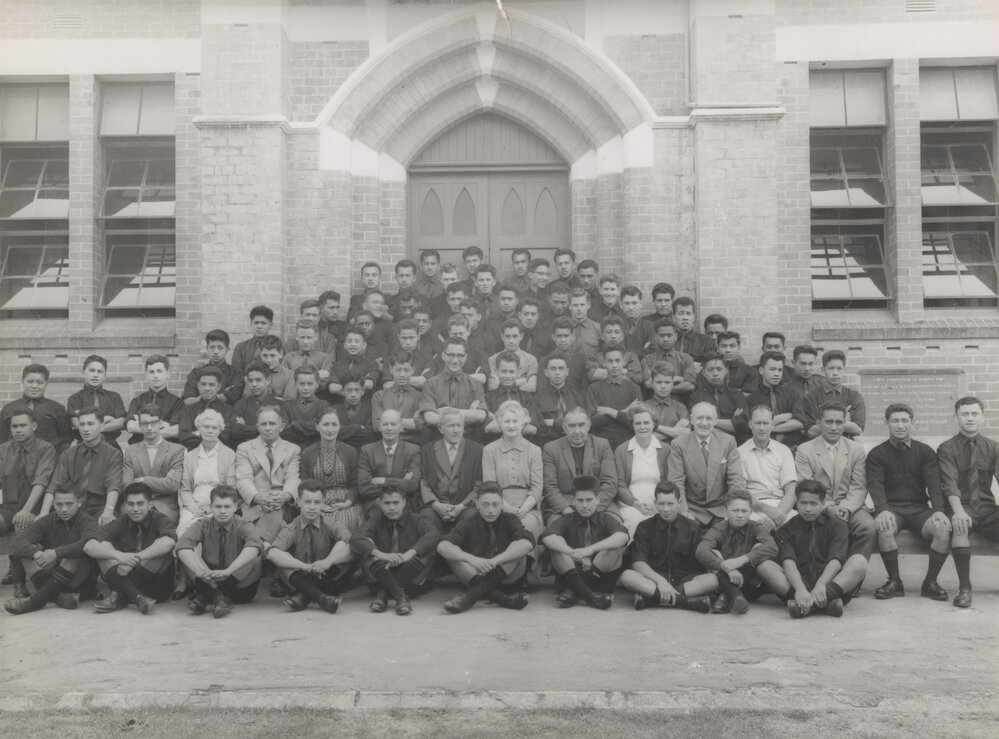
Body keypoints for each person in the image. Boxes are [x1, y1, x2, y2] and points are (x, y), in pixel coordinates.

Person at [866, 403, 951, 602]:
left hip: (919, 509)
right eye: (895, 421)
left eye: (905, 420)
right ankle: (895, 582)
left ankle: (930, 583)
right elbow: (875, 486)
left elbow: (934, 485)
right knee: (884, 527)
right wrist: (882, 509)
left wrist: (939, 510)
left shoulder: (925, 452)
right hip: (892, 509)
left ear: (912, 422)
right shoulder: (877, 454)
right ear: (887, 423)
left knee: (942, 529)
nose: (900, 425)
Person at [794, 402, 875, 595]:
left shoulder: (855, 449)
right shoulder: (805, 450)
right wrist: (828, 508)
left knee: (868, 527)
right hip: (818, 506)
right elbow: (807, 486)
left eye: (839, 422)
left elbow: (859, 485)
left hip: (851, 505)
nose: (834, 427)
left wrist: (846, 508)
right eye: (828, 422)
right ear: (818, 423)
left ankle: (852, 579)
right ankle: (823, 579)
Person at [936, 396, 999, 608]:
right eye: (965, 414)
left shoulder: (993, 447)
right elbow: (949, 483)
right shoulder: (946, 448)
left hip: (986, 507)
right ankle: (965, 588)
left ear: (982, 416)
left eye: (974, 414)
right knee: (960, 525)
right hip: (960, 506)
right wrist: (959, 512)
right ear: (956, 417)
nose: (970, 418)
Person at [437, 482, 535, 613]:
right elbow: (442, 546)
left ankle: (470, 597)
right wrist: (472, 559)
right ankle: (504, 599)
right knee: (453, 553)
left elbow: (528, 543)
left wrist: (496, 560)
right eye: (485, 505)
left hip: (506, 578)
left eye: (496, 504)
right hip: (476, 576)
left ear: (502, 503)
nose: (491, 510)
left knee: (517, 547)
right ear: (477, 504)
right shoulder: (469, 520)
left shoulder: (510, 519)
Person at [617, 482, 714, 612]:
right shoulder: (644, 527)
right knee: (627, 576)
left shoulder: (692, 528)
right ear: (655, 503)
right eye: (661, 504)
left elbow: (697, 567)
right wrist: (661, 581)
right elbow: (638, 563)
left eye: (670, 504)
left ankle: (651, 598)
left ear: (679, 502)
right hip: (653, 580)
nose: (666, 509)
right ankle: (684, 602)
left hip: (683, 581)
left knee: (713, 580)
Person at [83, 482, 177, 614]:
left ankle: (120, 596)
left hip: (155, 587)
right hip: (123, 577)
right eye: (131, 504)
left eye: (140, 503)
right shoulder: (122, 521)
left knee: (160, 548)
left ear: (150, 504)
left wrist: (136, 559)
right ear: (126, 505)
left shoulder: (160, 519)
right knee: (104, 547)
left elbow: (169, 543)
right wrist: (118, 556)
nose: (135, 509)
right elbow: (89, 547)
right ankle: (136, 597)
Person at [4, 488, 98, 614]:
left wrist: (55, 554)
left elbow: (88, 542)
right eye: (59, 504)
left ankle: (35, 602)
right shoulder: (48, 520)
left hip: (79, 584)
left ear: (79, 503)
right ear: (53, 504)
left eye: (69, 504)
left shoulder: (88, 521)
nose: (64, 509)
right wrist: (36, 553)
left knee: (76, 554)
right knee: (26, 553)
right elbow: (17, 542)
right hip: (54, 578)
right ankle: (58, 598)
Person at [175, 484, 263, 618]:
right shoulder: (202, 524)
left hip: (239, 587)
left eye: (227, 507)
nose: (222, 511)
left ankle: (206, 597)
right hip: (209, 580)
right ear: (211, 507)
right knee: (187, 553)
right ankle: (219, 598)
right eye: (218, 506)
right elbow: (182, 544)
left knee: (255, 556)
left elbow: (256, 543)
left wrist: (229, 571)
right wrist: (198, 571)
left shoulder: (244, 524)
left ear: (235, 507)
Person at [266, 479, 354, 613]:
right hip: (301, 577)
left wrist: (327, 562)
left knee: (344, 545)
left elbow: (351, 545)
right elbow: (272, 552)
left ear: (323, 503)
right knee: (281, 560)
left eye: (317, 502)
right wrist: (304, 567)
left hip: (327, 576)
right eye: (307, 502)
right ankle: (322, 598)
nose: (312, 507)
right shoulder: (292, 528)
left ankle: (304, 597)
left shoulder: (331, 523)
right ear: (299, 502)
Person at [350, 484, 440, 615]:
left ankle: (384, 595)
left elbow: (434, 534)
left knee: (427, 548)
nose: (391, 508)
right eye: (387, 503)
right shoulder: (376, 520)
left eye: (396, 503)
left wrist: (409, 553)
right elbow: (355, 538)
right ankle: (400, 597)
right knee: (366, 545)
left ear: (404, 503)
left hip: (409, 581)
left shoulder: (416, 519)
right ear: (380, 504)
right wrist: (381, 554)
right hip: (381, 576)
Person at [541, 475, 627, 609]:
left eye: (589, 500)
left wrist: (590, 550)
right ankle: (591, 597)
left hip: (599, 577)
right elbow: (547, 537)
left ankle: (577, 592)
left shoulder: (605, 519)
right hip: (572, 575)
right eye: (580, 500)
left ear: (597, 500)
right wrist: (575, 554)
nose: (585, 505)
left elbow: (623, 536)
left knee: (614, 546)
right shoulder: (568, 519)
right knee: (557, 543)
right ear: (573, 501)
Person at [695, 490, 786, 614]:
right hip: (725, 577)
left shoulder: (756, 528)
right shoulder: (719, 528)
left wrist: (742, 560)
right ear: (725, 511)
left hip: (751, 584)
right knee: (715, 553)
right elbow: (701, 551)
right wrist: (727, 567)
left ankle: (728, 596)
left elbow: (773, 547)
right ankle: (736, 596)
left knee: (760, 547)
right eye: (735, 510)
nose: (740, 515)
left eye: (744, 511)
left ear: (751, 512)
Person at [773, 479, 854, 618]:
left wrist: (822, 584)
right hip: (799, 583)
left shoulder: (838, 526)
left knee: (859, 562)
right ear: (796, 503)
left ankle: (807, 607)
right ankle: (826, 604)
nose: (808, 509)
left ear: (823, 504)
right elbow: (788, 561)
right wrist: (799, 588)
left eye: (814, 503)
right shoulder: (786, 529)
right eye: (803, 503)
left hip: (829, 583)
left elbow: (836, 559)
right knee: (765, 566)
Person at [0, 410, 57, 597]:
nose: (18, 430)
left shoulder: (46, 449)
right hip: (9, 507)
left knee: (21, 526)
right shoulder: (3, 450)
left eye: (22, 425)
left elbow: (41, 480)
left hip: (37, 508)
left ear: (34, 426)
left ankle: (18, 583)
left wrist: (26, 510)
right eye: (14, 426)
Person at [668, 402, 746, 527]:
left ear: (715, 421)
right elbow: (676, 481)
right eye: (699, 418)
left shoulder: (728, 441)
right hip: (693, 508)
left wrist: (733, 510)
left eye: (709, 418)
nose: (704, 423)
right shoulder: (678, 444)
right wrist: (683, 511)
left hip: (721, 508)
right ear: (691, 420)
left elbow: (736, 479)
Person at [481, 401, 544, 557]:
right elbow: (489, 485)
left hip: (527, 506)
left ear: (523, 423)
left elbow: (537, 487)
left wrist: (524, 509)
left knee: (526, 524)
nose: (511, 425)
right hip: (497, 504)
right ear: (499, 424)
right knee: (502, 524)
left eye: (515, 421)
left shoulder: (534, 450)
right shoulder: (489, 450)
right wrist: (505, 507)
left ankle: (524, 569)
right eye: (506, 421)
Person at [43, 407, 123, 526]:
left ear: (101, 426)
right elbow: (55, 485)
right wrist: (44, 512)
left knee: (103, 529)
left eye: (90, 424)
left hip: (99, 507)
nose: (86, 429)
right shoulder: (68, 454)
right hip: (71, 506)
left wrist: (108, 511)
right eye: (82, 424)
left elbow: (113, 485)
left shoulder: (113, 454)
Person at [235, 406, 301, 543]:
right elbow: (244, 479)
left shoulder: (293, 449)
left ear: (281, 426)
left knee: (275, 505)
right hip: (255, 502)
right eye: (263, 424)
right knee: (282, 527)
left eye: (272, 423)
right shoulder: (244, 448)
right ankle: (265, 545)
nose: (267, 428)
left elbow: (293, 478)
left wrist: (285, 495)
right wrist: (257, 497)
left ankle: (257, 544)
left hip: (282, 503)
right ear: (258, 427)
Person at [541, 408, 617, 522]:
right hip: (565, 504)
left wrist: (593, 508)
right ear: (564, 427)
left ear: (588, 425)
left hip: (597, 502)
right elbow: (549, 486)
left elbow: (610, 482)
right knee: (557, 530)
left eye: (581, 425)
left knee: (615, 526)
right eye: (572, 426)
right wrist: (566, 509)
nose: (577, 431)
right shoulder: (551, 449)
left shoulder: (602, 445)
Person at [300, 408, 364, 534]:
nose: (330, 429)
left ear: (339, 427)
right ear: (317, 427)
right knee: (319, 525)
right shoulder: (308, 453)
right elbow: (304, 484)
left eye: (334, 424)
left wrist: (347, 502)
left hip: (345, 503)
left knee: (346, 522)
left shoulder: (350, 451)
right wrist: (316, 503)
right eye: (325, 424)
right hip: (317, 502)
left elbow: (355, 484)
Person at [419, 408, 482, 533]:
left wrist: (461, 506)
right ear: (440, 428)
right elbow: (424, 481)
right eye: (451, 426)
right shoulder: (428, 450)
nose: (456, 430)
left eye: (459, 425)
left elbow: (479, 484)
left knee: (472, 517)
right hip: (437, 505)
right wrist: (436, 505)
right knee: (426, 517)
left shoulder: (477, 450)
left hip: (465, 506)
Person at [121, 403, 185, 525]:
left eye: (153, 423)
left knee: (161, 521)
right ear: (139, 425)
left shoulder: (176, 450)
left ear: (160, 423)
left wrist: (141, 480)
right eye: (145, 424)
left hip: (164, 503)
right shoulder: (131, 451)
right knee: (126, 518)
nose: (149, 428)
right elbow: (126, 485)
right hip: (136, 503)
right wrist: (159, 484)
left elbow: (172, 485)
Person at [177, 409, 237, 538]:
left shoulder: (229, 455)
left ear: (220, 430)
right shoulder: (190, 456)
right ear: (198, 429)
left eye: (214, 427)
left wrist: (212, 507)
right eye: (206, 427)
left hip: (220, 503)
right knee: (185, 524)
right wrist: (194, 508)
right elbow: (185, 489)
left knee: (212, 528)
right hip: (194, 504)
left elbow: (231, 488)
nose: (210, 431)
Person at [615, 405, 669, 538]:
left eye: (646, 423)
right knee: (637, 522)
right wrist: (636, 504)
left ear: (654, 424)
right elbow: (619, 484)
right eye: (638, 423)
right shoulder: (622, 450)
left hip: (660, 503)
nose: (642, 427)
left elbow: (670, 482)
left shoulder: (666, 449)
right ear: (632, 425)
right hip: (631, 505)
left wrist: (659, 504)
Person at [738, 405, 797, 526]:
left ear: (773, 425)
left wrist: (777, 515)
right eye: (757, 423)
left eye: (766, 423)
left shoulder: (784, 450)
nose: (761, 428)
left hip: (781, 506)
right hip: (752, 507)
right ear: (750, 424)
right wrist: (769, 511)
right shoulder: (739, 452)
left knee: (798, 524)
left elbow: (791, 491)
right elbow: (741, 493)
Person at [418, 337, 488, 438]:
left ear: (466, 357)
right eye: (451, 355)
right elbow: (430, 418)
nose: (455, 360)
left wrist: (447, 411)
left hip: (468, 438)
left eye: (460, 356)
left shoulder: (475, 384)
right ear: (443, 356)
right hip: (438, 438)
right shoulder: (430, 384)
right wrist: (468, 413)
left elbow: (480, 416)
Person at [357, 410, 422, 514]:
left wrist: (383, 481)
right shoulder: (367, 450)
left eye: (393, 424)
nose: (389, 428)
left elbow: (412, 486)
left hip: (404, 503)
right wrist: (400, 482)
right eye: (385, 424)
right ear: (379, 427)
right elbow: (364, 488)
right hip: (376, 503)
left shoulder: (413, 450)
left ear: (401, 427)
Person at [1, 364, 73, 453]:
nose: (34, 386)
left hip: (48, 462)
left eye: (39, 382)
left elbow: (66, 440)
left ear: (46, 383)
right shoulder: (9, 409)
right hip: (15, 461)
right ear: (22, 381)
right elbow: (2, 440)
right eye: (30, 381)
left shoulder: (57, 408)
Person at [585, 346, 643, 451]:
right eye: (610, 361)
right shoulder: (593, 388)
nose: (614, 365)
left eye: (617, 361)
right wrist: (624, 412)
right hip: (601, 443)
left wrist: (609, 412)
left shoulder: (634, 388)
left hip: (627, 441)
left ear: (624, 362)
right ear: (603, 363)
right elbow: (592, 421)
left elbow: (637, 420)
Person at [746, 351, 806, 449]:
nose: (776, 374)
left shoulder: (792, 394)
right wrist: (786, 416)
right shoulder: (752, 399)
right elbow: (751, 427)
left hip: (792, 447)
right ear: (761, 370)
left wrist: (767, 427)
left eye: (780, 370)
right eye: (772, 369)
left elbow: (800, 423)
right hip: (764, 448)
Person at [687, 352, 749, 444]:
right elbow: (696, 425)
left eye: (719, 369)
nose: (715, 373)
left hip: (736, 444)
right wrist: (731, 424)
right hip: (706, 444)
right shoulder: (696, 397)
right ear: (703, 372)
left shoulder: (737, 395)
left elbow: (742, 425)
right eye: (710, 369)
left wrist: (707, 421)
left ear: (726, 371)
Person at [803, 350, 866, 439]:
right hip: (819, 446)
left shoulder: (854, 396)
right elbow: (811, 432)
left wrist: (823, 421)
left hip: (847, 447)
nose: (835, 373)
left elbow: (858, 430)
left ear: (845, 370)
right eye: (831, 368)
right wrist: (844, 421)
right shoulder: (811, 397)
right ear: (823, 370)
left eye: (839, 368)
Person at [483, 351, 542, 444]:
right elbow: (488, 428)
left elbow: (533, 429)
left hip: (523, 447)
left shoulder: (527, 397)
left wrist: (497, 421)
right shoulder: (488, 398)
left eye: (511, 372)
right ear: (497, 371)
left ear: (518, 372)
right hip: (497, 447)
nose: (507, 376)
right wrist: (522, 422)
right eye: (503, 371)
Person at [66, 355, 126, 445]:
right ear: (83, 373)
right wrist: (106, 419)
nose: (95, 375)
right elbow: (77, 424)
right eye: (91, 370)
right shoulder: (75, 398)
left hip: (110, 446)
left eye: (99, 372)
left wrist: (90, 425)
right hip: (83, 446)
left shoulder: (114, 397)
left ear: (104, 376)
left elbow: (121, 423)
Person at [124, 356, 183, 446]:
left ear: (167, 374)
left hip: (166, 451)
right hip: (139, 448)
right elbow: (131, 426)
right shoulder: (137, 401)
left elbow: (176, 431)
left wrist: (142, 425)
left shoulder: (177, 403)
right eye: (151, 372)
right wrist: (162, 426)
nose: (155, 375)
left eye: (159, 371)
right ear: (146, 376)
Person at [372, 352, 426, 445]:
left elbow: (420, 425)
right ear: (391, 369)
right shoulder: (379, 396)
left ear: (413, 370)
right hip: (386, 444)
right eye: (398, 370)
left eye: (406, 370)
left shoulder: (420, 396)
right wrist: (410, 423)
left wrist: (388, 423)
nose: (402, 374)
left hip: (412, 445)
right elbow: (377, 426)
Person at [176, 365, 235, 451]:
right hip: (194, 453)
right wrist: (212, 434)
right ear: (198, 386)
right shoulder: (188, 410)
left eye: (211, 385)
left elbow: (226, 436)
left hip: (219, 454)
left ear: (218, 387)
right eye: (203, 384)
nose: (207, 388)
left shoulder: (228, 410)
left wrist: (197, 433)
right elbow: (184, 437)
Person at [181, 330, 242, 405]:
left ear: (227, 349)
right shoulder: (196, 372)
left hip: (226, 415)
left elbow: (232, 397)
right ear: (207, 348)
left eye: (220, 348)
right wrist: (220, 396)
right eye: (212, 347)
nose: (216, 351)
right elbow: (187, 401)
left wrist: (200, 398)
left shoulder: (236, 373)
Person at [640, 319, 697, 398]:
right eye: (662, 335)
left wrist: (661, 386)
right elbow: (648, 384)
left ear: (676, 336)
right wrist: (679, 379)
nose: (665, 339)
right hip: (654, 407)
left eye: (669, 335)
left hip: (679, 406)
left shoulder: (686, 359)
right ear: (655, 337)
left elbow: (690, 385)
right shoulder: (647, 360)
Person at [534, 353, 582, 445]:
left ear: (567, 372)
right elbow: (540, 427)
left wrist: (553, 423)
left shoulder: (577, 397)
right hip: (548, 444)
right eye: (553, 369)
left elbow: (582, 423)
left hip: (574, 443)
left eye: (561, 368)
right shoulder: (538, 398)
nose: (557, 372)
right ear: (546, 373)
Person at [279, 366, 332, 448]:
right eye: (302, 384)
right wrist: (312, 429)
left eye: (310, 384)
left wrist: (294, 425)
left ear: (317, 384)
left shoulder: (324, 405)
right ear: (296, 384)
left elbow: (325, 429)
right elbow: (283, 432)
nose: (306, 388)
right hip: (291, 450)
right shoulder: (287, 406)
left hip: (317, 450)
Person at [230, 360, 280, 444]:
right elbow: (235, 431)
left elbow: (280, 432)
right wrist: (267, 428)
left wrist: (246, 427)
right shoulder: (241, 404)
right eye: (250, 380)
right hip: (247, 449)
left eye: (258, 380)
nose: (253, 384)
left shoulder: (279, 404)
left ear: (268, 381)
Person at [643, 363, 691, 441]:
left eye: (667, 382)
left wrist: (655, 427)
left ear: (672, 383)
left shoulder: (681, 407)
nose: (663, 386)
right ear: (652, 383)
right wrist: (675, 431)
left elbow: (686, 433)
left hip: (675, 452)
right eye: (659, 382)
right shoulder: (643, 407)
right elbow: (643, 438)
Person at [331, 374, 378, 448]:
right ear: (342, 391)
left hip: (363, 453)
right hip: (340, 452)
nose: (353, 394)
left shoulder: (370, 409)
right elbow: (332, 433)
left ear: (362, 391)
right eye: (349, 390)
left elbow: (370, 436)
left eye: (357, 390)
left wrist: (344, 433)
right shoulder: (334, 409)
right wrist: (357, 427)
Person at [230, 305, 275, 379]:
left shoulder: (277, 346)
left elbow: (280, 371)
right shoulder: (241, 348)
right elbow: (237, 373)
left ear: (270, 325)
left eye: (263, 323)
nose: (259, 326)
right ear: (251, 324)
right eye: (256, 323)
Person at [672, 297, 714, 363]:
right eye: (681, 313)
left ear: (693, 317)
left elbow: (710, 365)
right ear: (674, 317)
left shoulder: (706, 342)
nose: (685, 318)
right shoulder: (666, 340)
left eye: (688, 314)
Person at [257, 335, 297, 401]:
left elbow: (289, 401)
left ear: (280, 354)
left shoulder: (290, 376)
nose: (268, 360)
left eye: (272, 355)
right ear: (260, 355)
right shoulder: (255, 374)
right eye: (265, 355)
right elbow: (248, 398)